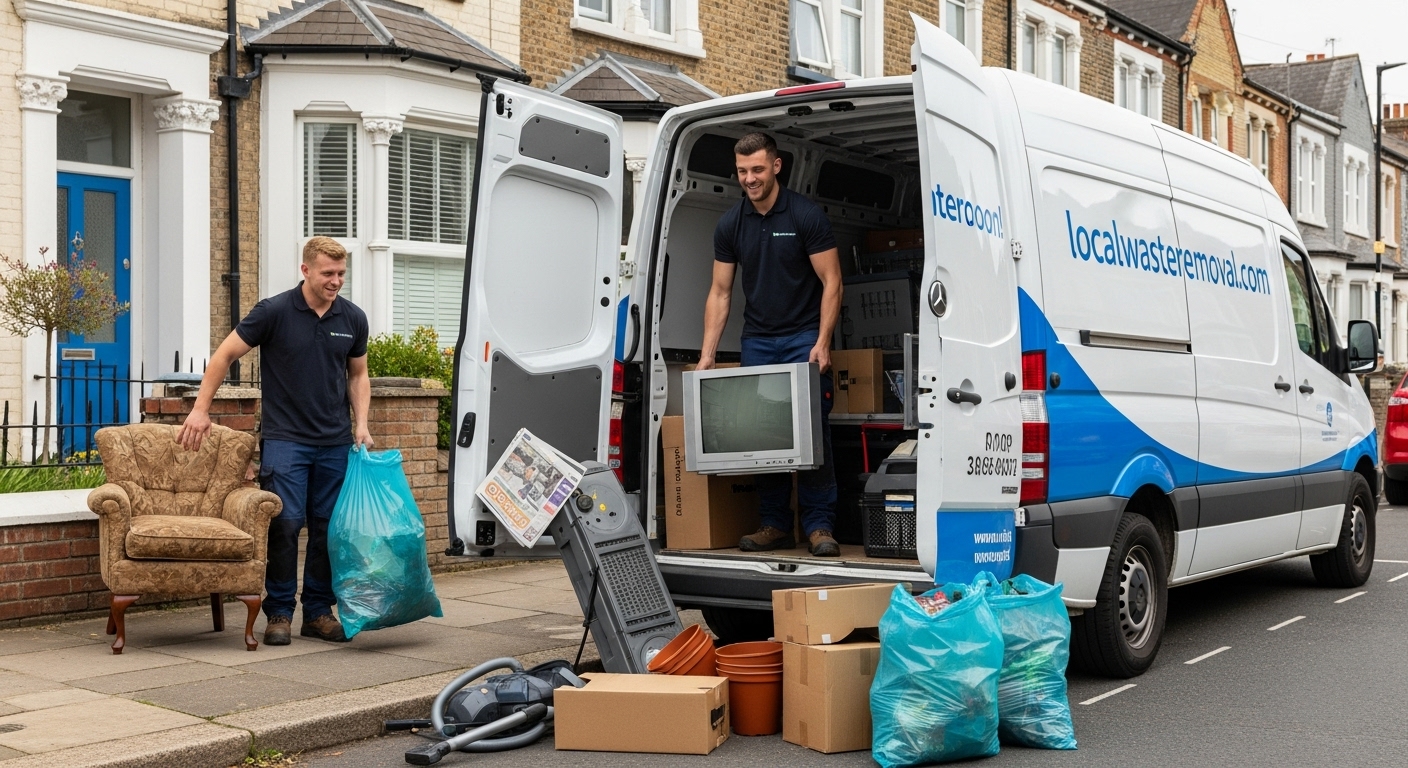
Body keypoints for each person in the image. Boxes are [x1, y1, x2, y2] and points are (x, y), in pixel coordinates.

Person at [177, 237, 372, 645]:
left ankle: (318, 611)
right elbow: (225, 355)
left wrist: (361, 424)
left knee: (327, 529)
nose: (335, 281)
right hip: (287, 440)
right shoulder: (275, 311)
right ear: (306, 270)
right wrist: (200, 408)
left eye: (340, 274)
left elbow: (358, 375)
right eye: (327, 274)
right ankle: (280, 611)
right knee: (284, 524)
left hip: (335, 442)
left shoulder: (352, 318)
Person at [697, 132, 843, 557]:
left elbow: (832, 281)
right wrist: (708, 355)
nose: (749, 179)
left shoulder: (804, 215)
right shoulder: (731, 224)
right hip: (758, 341)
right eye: (742, 171)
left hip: (802, 338)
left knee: (813, 434)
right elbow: (720, 292)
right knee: (765, 435)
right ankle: (775, 524)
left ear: (776, 166)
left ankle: (819, 526)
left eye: (757, 169)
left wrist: (822, 341)